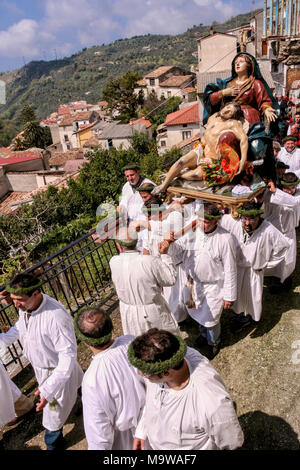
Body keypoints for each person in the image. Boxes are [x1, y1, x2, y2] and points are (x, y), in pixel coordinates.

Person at [0, 273, 84, 450]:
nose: (15, 304)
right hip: (44, 369)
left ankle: (53, 444)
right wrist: (5, 338)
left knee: (52, 418)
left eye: (19, 299)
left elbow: (68, 356)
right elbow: (20, 328)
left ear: (35, 293)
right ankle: (83, 403)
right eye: (13, 299)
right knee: (81, 387)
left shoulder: (55, 317)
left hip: (56, 374)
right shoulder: (27, 308)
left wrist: (49, 387)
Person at [129, 328, 244, 450]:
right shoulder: (166, 360)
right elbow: (152, 401)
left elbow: (232, 443)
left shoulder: (211, 405)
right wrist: (142, 431)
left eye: (146, 373)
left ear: (166, 373)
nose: (140, 373)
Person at [164, 203, 237, 359]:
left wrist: (229, 295)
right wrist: (170, 243)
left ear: (216, 221)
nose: (202, 225)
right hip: (191, 282)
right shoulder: (192, 233)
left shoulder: (225, 239)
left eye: (207, 222)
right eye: (200, 220)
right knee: (196, 312)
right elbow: (178, 249)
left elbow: (231, 268)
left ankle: (213, 342)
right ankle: (203, 335)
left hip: (213, 286)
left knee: (211, 318)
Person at [74, 305, 145, 450]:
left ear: (85, 342)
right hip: (155, 419)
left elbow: (98, 432)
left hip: (130, 440)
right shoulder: (132, 342)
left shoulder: (92, 379)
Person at [203, 52, 278, 180]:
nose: (237, 63)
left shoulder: (255, 83)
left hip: (250, 119)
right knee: (225, 140)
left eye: (241, 61)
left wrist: (267, 109)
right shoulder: (227, 84)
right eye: (235, 62)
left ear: (249, 66)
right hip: (229, 119)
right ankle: (227, 171)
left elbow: (264, 100)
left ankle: (256, 176)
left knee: (254, 147)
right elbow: (211, 99)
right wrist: (223, 93)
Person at [219, 201, 289, 332]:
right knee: (237, 295)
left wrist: (267, 264)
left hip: (253, 271)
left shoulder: (268, 229)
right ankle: (240, 316)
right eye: (245, 218)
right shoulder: (234, 223)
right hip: (236, 268)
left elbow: (283, 246)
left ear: (259, 217)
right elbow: (215, 218)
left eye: (252, 219)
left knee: (251, 297)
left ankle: (246, 318)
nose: (247, 223)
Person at [152, 102, 249, 194]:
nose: (227, 111)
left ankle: (175, 175)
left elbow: (244, 139)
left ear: (232, 116)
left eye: (230, 112)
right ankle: (163, 186)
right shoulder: (213, 117)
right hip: (201, 150)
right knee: (182, 161)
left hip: (212, 158)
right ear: (224, 106)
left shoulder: (232, 124)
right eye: (228, 107)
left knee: (196, 175)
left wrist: (243, 160)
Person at [109, 227, 180, 336]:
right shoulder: (150, 261)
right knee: (164, 342)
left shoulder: (113, 262)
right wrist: (165, 255)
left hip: (129, 313)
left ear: (118, 245)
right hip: (153, 311)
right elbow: (170, 279)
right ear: (136, 242)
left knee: (140, 345)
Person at [263, 174, 300, 292]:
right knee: (273, 258)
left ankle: (285, 282)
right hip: (275, 232)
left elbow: (292, 202)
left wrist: (276, 191)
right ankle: (274, 280)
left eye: (292, 188)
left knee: (287, 261)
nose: (289, 191)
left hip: (288, 233)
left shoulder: (297, 197)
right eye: (286, 188)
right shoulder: (276, 194)